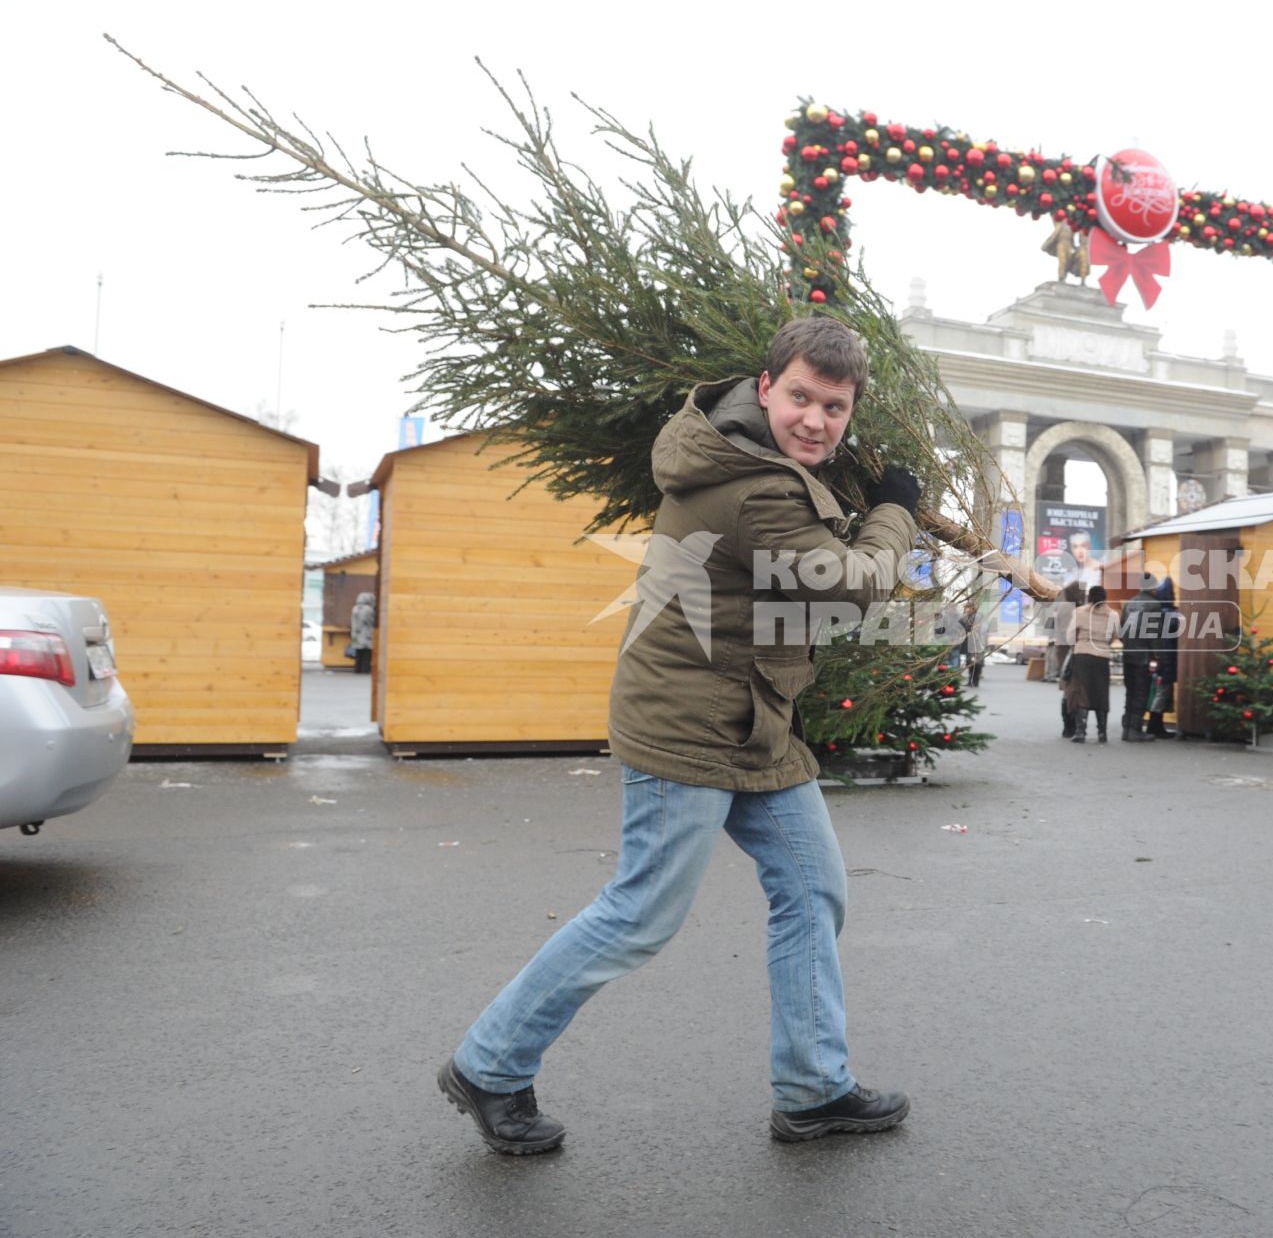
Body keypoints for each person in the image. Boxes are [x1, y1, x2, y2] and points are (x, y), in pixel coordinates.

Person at [438, 317, 920, 1154]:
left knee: (813, 890)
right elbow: (847, 589)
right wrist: (896, 514)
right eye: (800, 396)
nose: (814, 418)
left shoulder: (751, 450)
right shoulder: (752, 484)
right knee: (641, 912)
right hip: (688, 722)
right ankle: (489, 1064)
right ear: (766, 386)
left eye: (834, 407)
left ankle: (812, 1088)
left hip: (752, 719)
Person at [1066, 584, 1118, 743]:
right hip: (1102, 656)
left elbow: (1069, 636)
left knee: (1082, 692)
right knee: (1101, 693)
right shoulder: (1113, 615)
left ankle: (1081, 732)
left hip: (1082, 655)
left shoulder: (1079, 612)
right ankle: (1102, 733)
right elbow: (1115, 635)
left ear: (1089, 596)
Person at [1118, 575, 1163, 742]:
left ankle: (1126, 729)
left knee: (1130, 692)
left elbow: (1122, 631)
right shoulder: (1154, 605)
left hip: (1127, 654)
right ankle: (1135, 730)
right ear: (1152, 587)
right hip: (1144, 656)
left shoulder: (1129, 602)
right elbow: (1155, 634)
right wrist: (1158, 655)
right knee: (1141, 693)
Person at [1145, 576, 1179, 738]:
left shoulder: (1156, 613)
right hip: (1167, 660)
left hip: (1159, 658)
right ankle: (1155, 726)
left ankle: (1155, 725)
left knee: (1161, 691)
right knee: (1163, 692)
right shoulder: (1172, 615)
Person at [1053, 581, 1085, 737]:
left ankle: (1070, 725)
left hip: (1066, 651)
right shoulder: (1069, 607)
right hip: (1068, 653)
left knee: (1070, 690)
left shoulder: (1067, 606)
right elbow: (1069, 634)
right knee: (1070, 690)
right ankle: (1069, 725)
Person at [348, 591, 376, 674]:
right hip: (366, 634)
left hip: (356, 634)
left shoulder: (355, 608)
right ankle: (365, 669)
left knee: (358, 653)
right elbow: (371, 622)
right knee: (366, 654)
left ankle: (357, 669)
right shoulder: (368, 609)